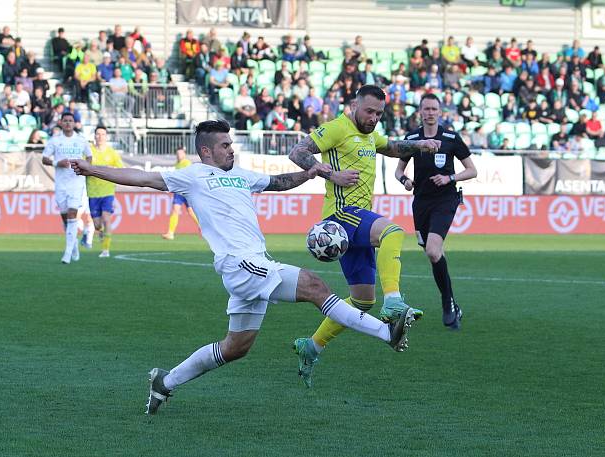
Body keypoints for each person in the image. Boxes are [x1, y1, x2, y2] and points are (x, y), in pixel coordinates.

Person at [67, 120, 418, 414]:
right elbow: (139, 177)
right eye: (224, 145)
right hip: (240, 264)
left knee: (236, 348)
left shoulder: (240, 176)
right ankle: (388, 333)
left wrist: (311, 172)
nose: (231, 149)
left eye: (231, 144)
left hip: (253, 265)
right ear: (206, 151)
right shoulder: (192, 176)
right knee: (315, 286)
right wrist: (92, 168)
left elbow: (278, 182)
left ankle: (165, 381)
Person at [287, 84, 441, 387]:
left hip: (355, 222)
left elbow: (393, 147)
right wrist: (331, 174)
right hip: (341, 215)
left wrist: (421, 145)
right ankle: (395, 301)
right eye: (369, 111)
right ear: (355, 105)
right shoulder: (337, 128)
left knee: (361, 301)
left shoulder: (371, 135)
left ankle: (312, 346)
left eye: (379, 113)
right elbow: (297, 151)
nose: (373, 118)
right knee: (393, 232)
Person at [395, 93, 476, 328]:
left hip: (445, 200)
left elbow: (472, 170)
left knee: (432, 251)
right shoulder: (412, 139)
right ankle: (452, 303)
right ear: (420, 112)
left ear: (440, 112)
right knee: (434, 253)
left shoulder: (450, 138)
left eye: (434, 109)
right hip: (421, 202)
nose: (430, 112)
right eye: (426, 109)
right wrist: (405, 181)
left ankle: (447, 302)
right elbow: (399, 171)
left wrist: (450, 177)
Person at [41, 111, 92, 264]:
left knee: (72, 215)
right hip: (61, 185)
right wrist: (57, 163)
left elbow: (89, 156)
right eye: (65, 121)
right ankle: (74, 245)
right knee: (65, 219)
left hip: (77, 184)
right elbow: (44, 158)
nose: (68, 123)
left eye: (71, 120)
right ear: (61, 123)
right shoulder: (55, 141)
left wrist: (86, 166)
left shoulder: (81, 140)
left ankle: (67, 254)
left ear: (74, 123)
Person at [86, 126, 123, 258]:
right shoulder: (88, 151)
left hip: (107, 191)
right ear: (94, 136)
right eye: (98, 134)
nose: (100, 136)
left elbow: (120, 169)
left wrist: (109, 168)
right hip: (93, 192)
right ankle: (100, 232)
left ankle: (106, 250)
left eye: (103, 134)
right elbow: (83, 166)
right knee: (97, 225)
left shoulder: (112, 153)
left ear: (106, 137)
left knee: (107, 218)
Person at [162, 146, 199, 240]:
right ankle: (170, 233)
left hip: (186, 190)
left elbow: (189, 176)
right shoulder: (177, 164)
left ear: (184, 154)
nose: (179, 155)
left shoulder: (186, 163)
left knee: (191, 211)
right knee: (176, 210)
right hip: (180, 190)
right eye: (177, 154)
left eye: (180, 153)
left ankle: (204, 228)